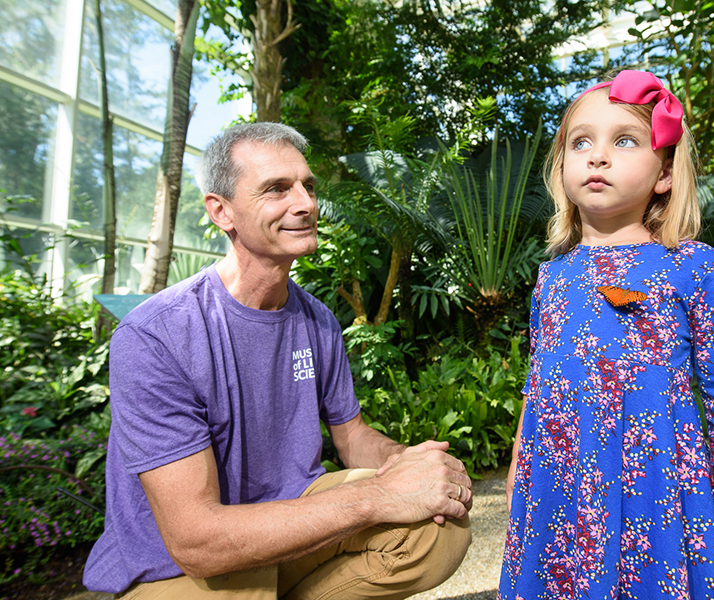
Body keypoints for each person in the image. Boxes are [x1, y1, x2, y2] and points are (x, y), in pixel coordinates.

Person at [83, 122, 472, 599]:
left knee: (437, 530)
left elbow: (352, 438)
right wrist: (377, 496)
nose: (306, 203)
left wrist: (408, 465)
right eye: (277, 189)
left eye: (307, 186)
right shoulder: (155, 336)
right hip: (179, 567)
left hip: (290, 523)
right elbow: (196, 541)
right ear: (221, 212)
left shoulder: (317, 319)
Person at [499, 70, 714, 600]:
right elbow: (539, 381)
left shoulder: (692, 267)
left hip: (661, 498)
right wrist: (519, 468)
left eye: (624, 140)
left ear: (665, 173)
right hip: (559, 494)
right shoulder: (551, 276)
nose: (598, 156)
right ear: (561, 168)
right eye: (581, 142)